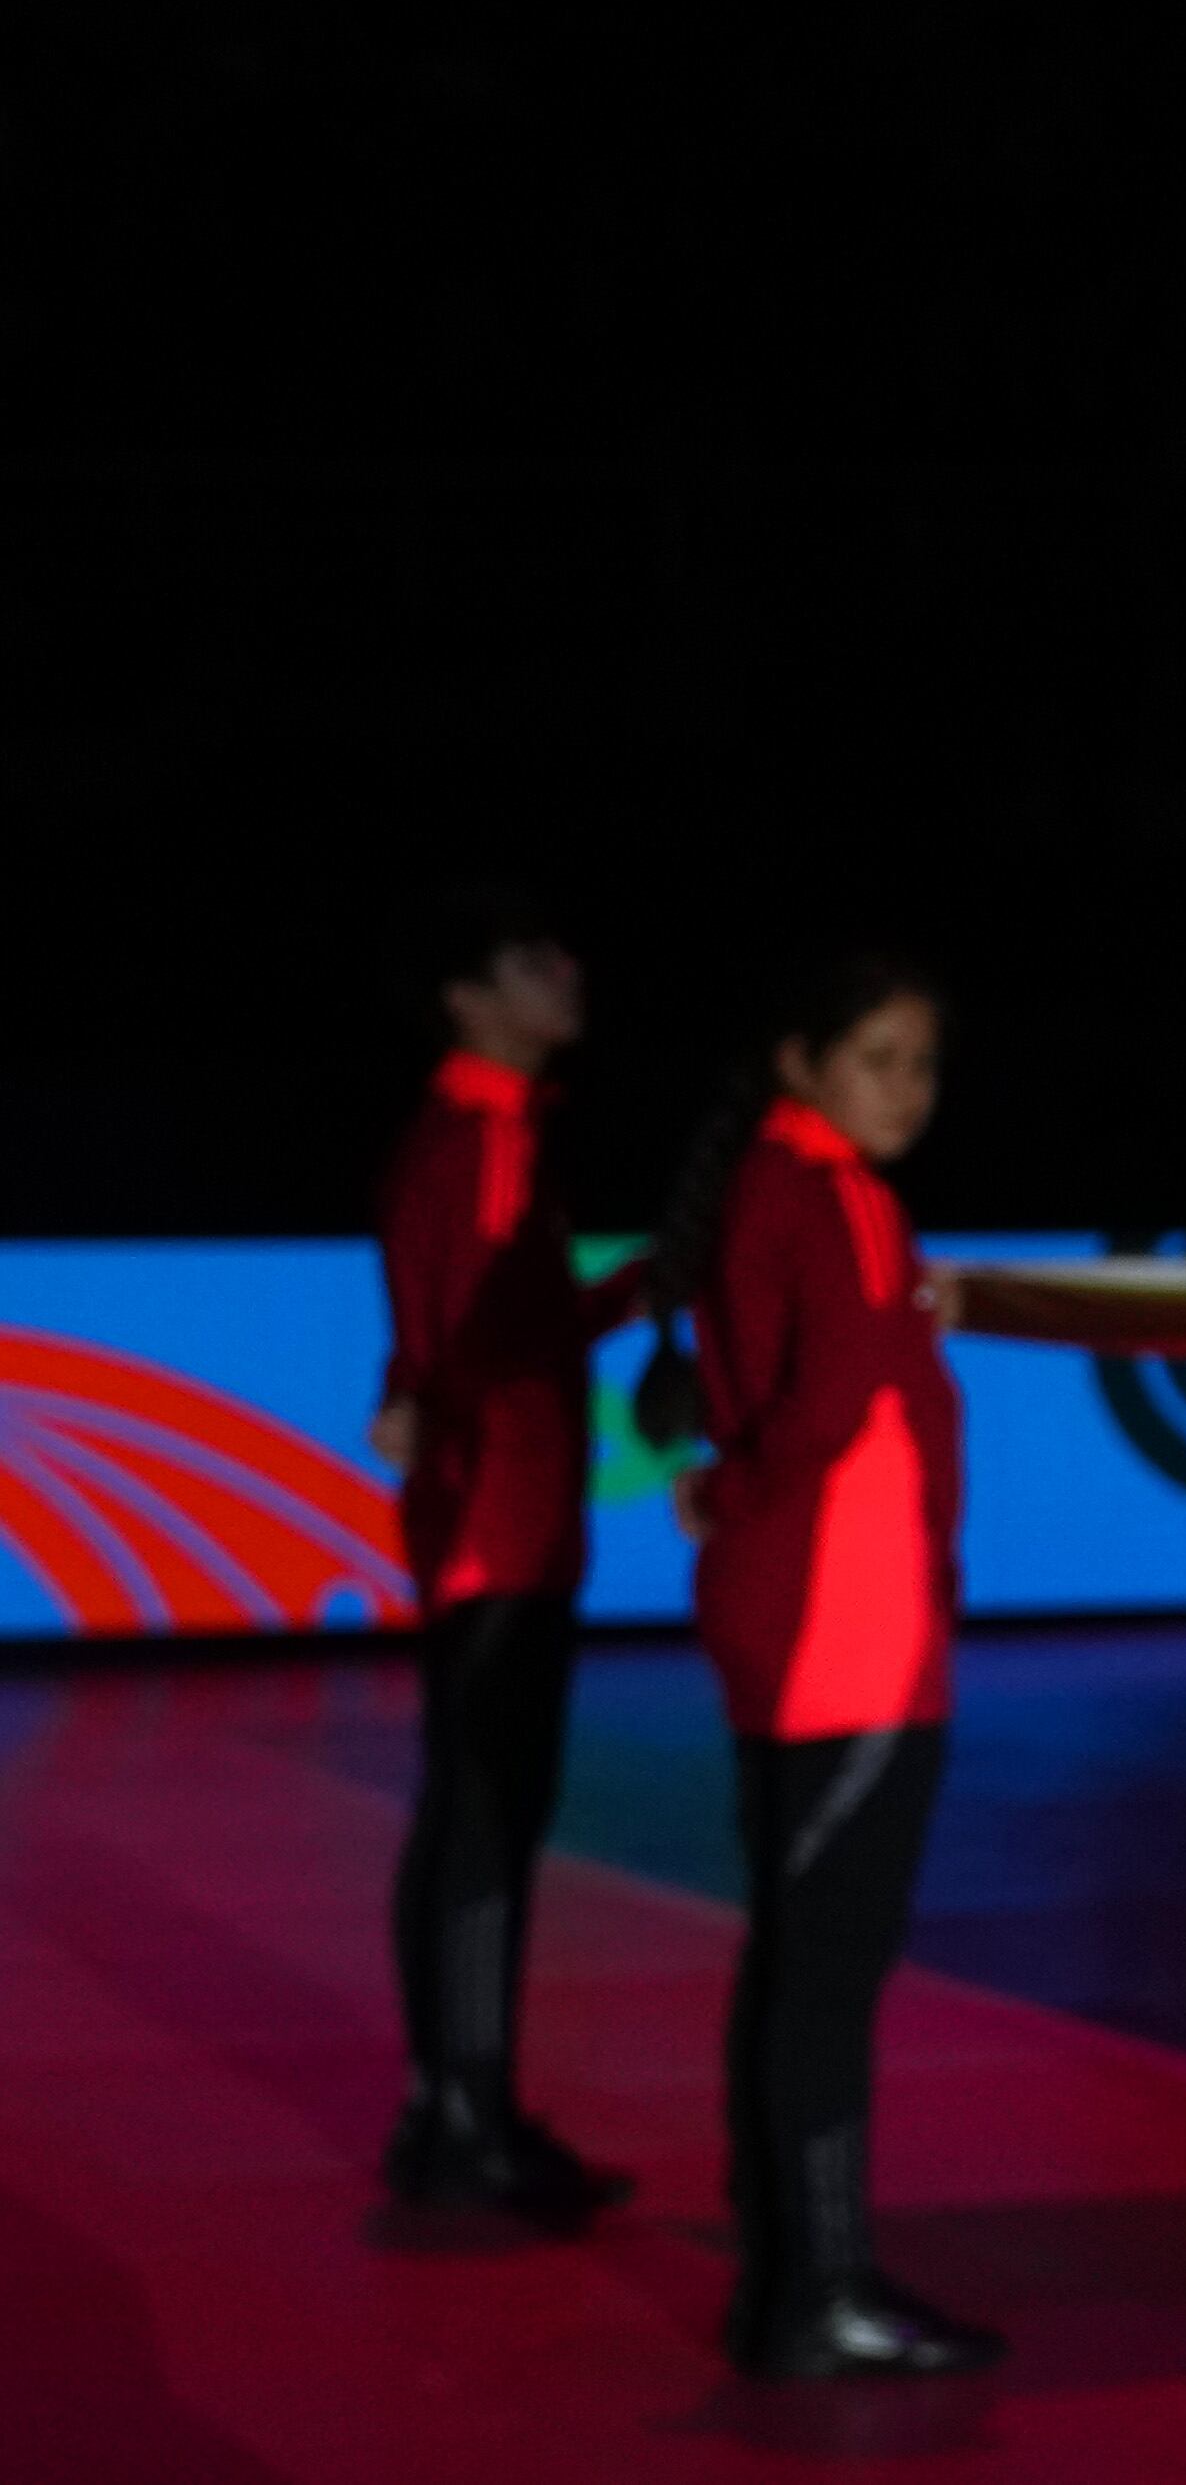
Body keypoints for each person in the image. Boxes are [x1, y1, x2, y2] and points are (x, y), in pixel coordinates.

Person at [635, 952, 1005, 2382]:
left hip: (826, 1633)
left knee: (802, 1961)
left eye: (921, 1064)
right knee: (827, 1973)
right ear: (802, 1062)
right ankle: (818, 2288)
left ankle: (795, 2271)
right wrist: (733, 1499)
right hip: (839, 1645)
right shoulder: (829, 1192)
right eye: (880, 1060)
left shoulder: (802, 1186)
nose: (906, 1091)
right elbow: (827, 1402)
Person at [372, 887, 645, 2222]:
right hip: (501, 1527)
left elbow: (457, 1333)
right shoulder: (485, 1137)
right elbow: (480, 1338)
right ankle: (467, 2118)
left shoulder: (473, 1131)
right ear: (469, 999)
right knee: (484, 1821)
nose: (565, 972)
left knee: (468, 1818)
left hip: (489, 1517)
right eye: (534, 960)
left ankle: (455, 2107)